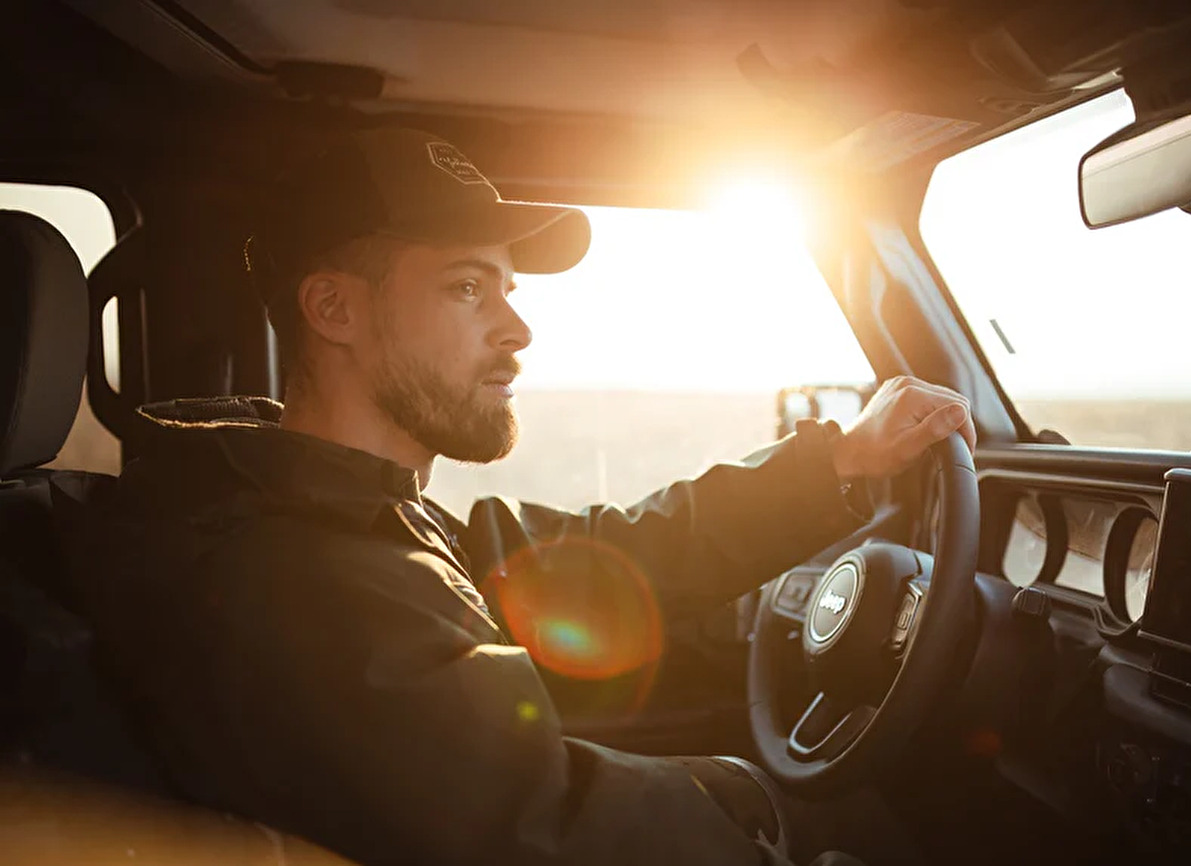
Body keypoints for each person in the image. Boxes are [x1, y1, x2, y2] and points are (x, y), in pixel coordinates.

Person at [77, 128, 975, 866]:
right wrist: (755, 816)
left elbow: (594, 565)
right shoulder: (293, 575)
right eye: (468, 287)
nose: (518, 329)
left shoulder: (346, 513)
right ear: (334, 309)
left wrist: (838, 463)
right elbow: (543, 834)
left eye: (506, 288)